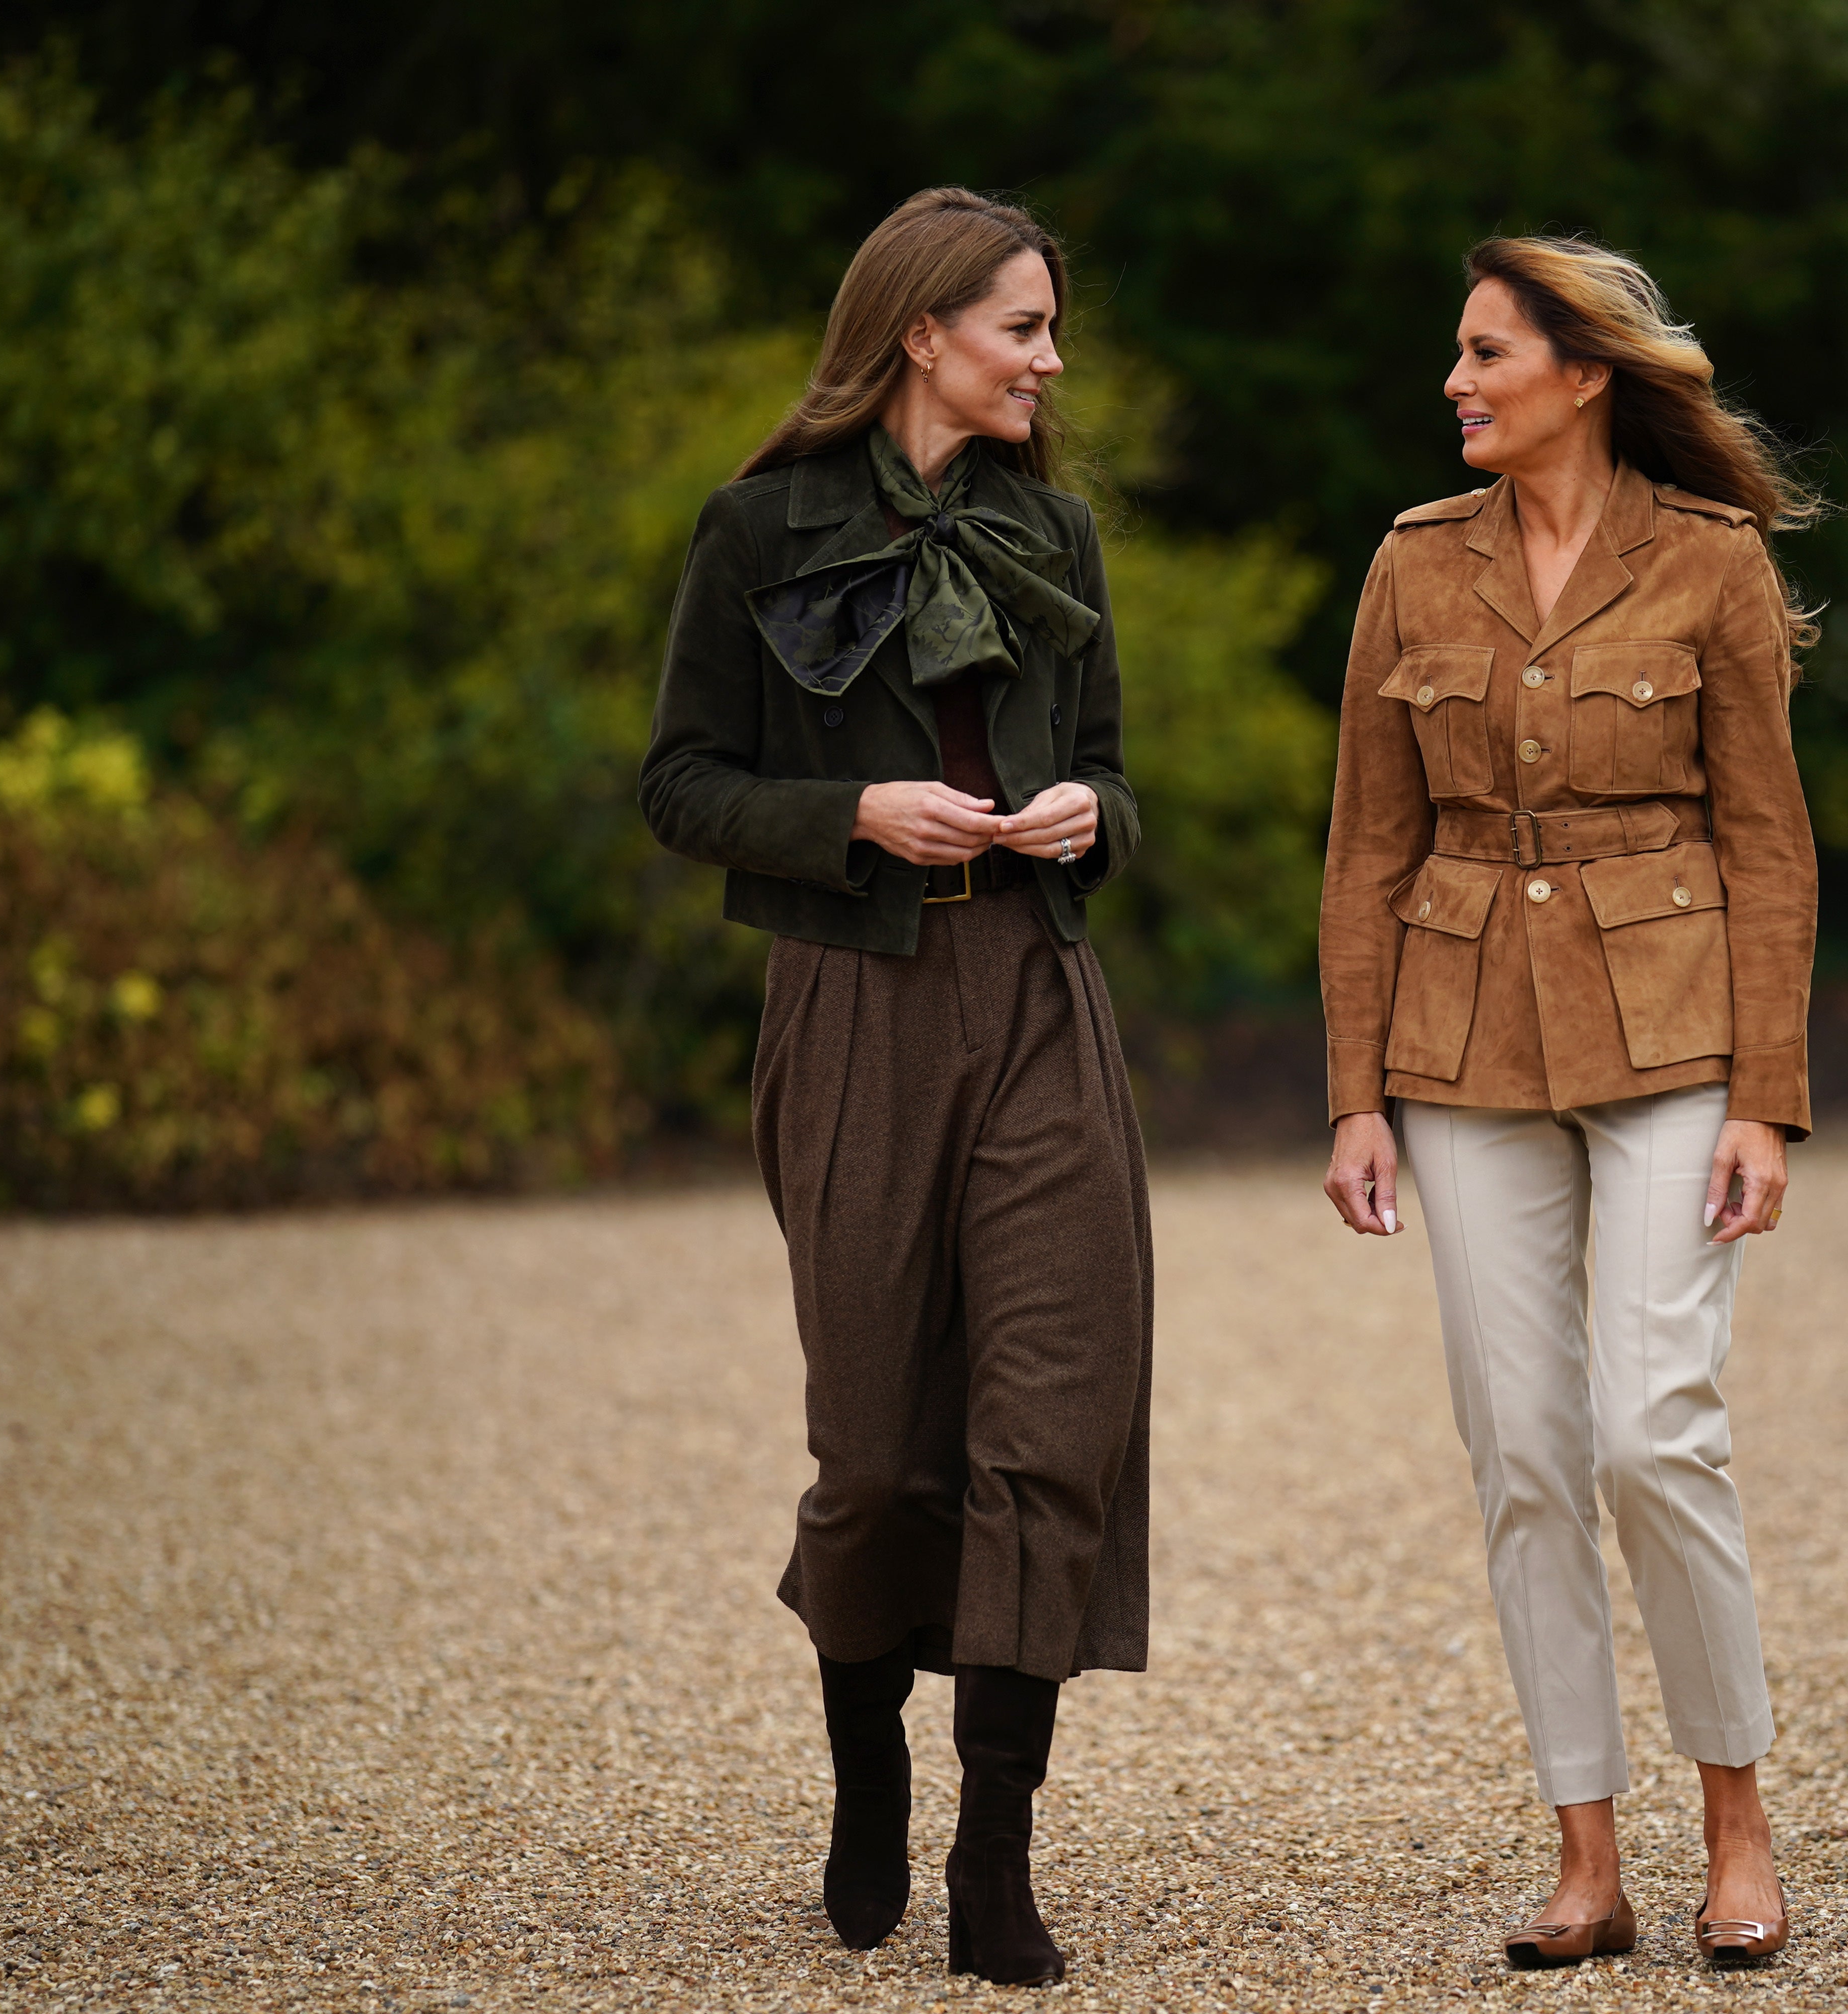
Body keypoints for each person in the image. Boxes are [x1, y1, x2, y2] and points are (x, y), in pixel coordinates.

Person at [640, 186, 1150, 1989]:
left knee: (1052, 1424)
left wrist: (1094, 817)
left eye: (1052, 327)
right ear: (922, 329)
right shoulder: (756, 527)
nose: (1050, 359)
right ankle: (866, 1769)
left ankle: (993, 1847)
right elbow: (682, 784)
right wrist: (853, 811)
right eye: (1025, 325)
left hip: (1038, 993)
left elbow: (1109, 776)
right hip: (853, 1000)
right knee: (871, 1459)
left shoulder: (1058, 533)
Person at [1318, 235, 1822, 1972]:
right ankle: (1586, 1858)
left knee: (1649, 1425)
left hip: (1678, 1039)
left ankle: (1737, 1831)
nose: (1457, 383)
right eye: (1457, 356)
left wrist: (1770, 1097)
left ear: (1585, 372)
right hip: (1458, 1051)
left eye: (1485, 354)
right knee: (1522, 1451)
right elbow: (1366, 848)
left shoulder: (1713, 566)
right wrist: (1354, 1096)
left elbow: (1767, 839)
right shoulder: (1410, 567)